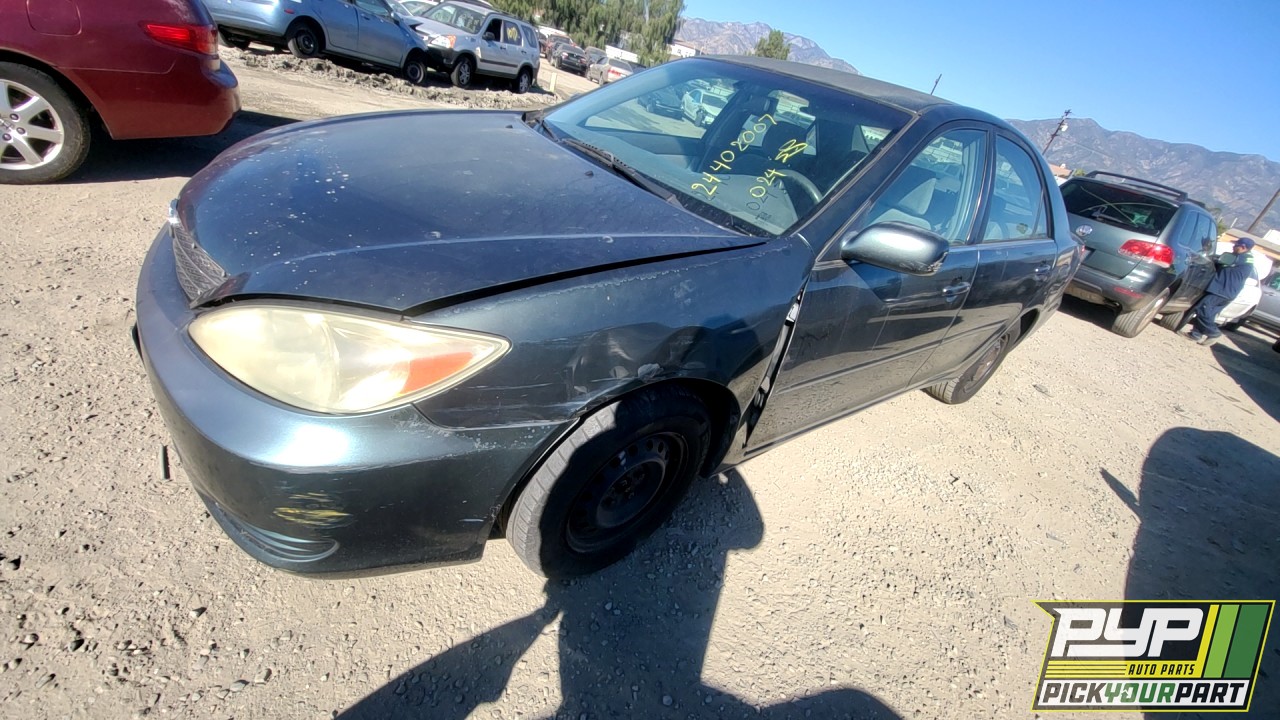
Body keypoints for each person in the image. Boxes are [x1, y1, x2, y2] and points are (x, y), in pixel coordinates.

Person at [1184, 237, 1259, 346]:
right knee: (1209, 313)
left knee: (1202, 308)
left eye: (1236, 245)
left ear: (1243, 247)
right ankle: (1196, 334)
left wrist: (1206, 250)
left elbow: (1218, 259)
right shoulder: (1245, 258)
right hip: (1227, 291)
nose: (1233, 247)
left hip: (1221, 290)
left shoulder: (1240, 258)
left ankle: (1213, 332)